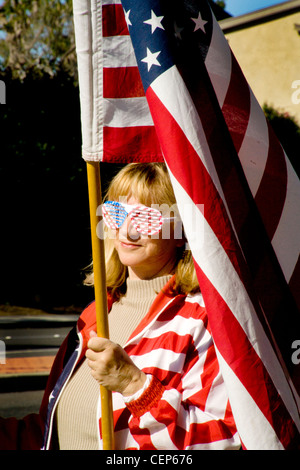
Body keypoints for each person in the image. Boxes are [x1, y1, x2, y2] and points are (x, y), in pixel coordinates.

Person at [0, 162, 241, 450]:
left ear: (180, 233)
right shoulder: (95, 314)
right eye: (116, 213)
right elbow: (53, 432)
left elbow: (220, 441)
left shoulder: (204, 320)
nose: (128, 229)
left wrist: (134, 386)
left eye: (145, 218)